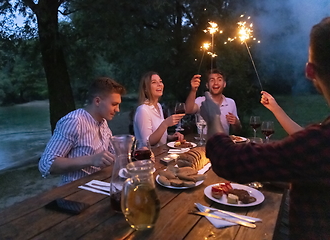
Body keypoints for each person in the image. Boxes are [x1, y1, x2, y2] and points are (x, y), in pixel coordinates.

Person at [200, 17, 330, 239]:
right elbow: (304, 144)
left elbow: (227, 159)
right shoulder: (317, 144)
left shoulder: (319, 144)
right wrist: (276, 109)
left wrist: (213, 119)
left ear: (309, 71)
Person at [39, 77, 126, 185]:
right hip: (74, 193)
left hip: (99, 185)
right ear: (97, 101)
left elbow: (113, 155)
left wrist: (135, 152)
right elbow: (46, 164)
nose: (118, 109)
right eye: (114, 104)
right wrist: (91, 159)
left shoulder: (103, 122)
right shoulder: (74, 121)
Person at [133, 71, 184, 148]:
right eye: (154, 82)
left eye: (160, 81)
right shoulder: (143, 110)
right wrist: (165, 123)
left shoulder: (159, 106)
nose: (159, 84)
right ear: (145, 89)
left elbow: (159, 136)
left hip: (161, 153)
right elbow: (148, 142)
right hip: (147, 157)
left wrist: (171, 137)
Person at [185, 69, 242, 135]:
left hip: (224, 143)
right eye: (212, 80)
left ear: (224, 84)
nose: (216, 83)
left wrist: (236, 123)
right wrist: (193, 90)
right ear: (207, 85)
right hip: (204, 143)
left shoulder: (231, 103)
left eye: (219, 80)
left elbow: (237, 130)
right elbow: (188, 110)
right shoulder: (201, 101)